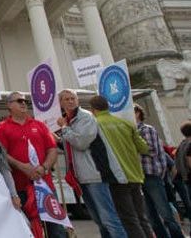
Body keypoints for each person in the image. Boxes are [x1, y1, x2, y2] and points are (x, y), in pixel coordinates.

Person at [0, 91, 65, 238]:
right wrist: (22, 166)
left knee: (56, 229)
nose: (23, 103)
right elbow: (2, 154)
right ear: (9, 105)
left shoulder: (39, 125)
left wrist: (44, 167)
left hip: (45, 185)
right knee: (27, 229)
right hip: (20, 187)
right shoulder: (2, 128)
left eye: (25, 101)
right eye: (19, 100)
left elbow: (52, 149)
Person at [56, 89, 127, 238]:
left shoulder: (85, 117)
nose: (70, 101)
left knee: (109, 218)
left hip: (96, 174)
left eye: (72, 98)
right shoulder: (69, 120)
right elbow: (70, 145)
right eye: (66, 99)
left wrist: (64, 129)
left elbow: (81, 142)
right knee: (99, 219)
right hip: (82, 177)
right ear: (61, 103)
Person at [89, 95, 153, 238]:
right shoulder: (125, 123)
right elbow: (144, 148)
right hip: (136, 175)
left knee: (128, 219)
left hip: (117, 176)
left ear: (93, 110)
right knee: (141, 217)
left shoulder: (95, 124)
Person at [133, 103, 184, 238]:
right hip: (140, 176)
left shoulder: (146, 129)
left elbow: (151, 149)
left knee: (165, 213)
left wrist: (133, 144)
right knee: (151, 216)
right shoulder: (134, 130)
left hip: (151, 175)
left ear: (138, 113)